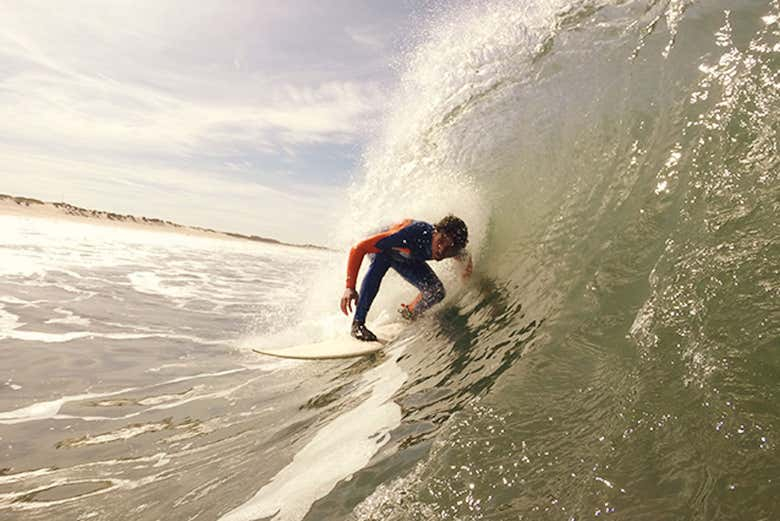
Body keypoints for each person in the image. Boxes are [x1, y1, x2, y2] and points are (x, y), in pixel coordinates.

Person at [340, 215, 472, 341]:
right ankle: (358, 324)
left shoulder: (455, 249)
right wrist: (350, 287)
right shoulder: (412, 234)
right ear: (435, 232)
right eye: (441, 241)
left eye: (449, 247)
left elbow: (466, 258)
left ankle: (408, 313)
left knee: (436, 291)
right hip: (384, 246)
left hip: (406, 256)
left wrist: (467, 275)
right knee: (381, 261)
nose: (441, 250)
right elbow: (358, 248)